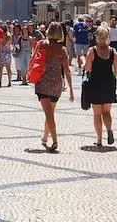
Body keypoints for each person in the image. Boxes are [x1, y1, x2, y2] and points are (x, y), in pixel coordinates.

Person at [34, 22, 74, 153]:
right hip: (57, 84)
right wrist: (71, 90)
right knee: (50, 112)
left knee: (48, 114)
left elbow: (34, 59)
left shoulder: (42, 44)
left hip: (43, 82)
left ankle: (55, 140)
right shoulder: (62, 49)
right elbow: (67, 70)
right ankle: (45, 137)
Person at [85, 26, 117, 147]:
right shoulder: (113, 51)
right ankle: (109, 130)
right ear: (107, 38)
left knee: (97, 114)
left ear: (97, 37)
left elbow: (88, 68)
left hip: (96, 82)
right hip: (109, 83)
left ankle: (99, 139)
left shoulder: (92, 51)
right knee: (107, 112)